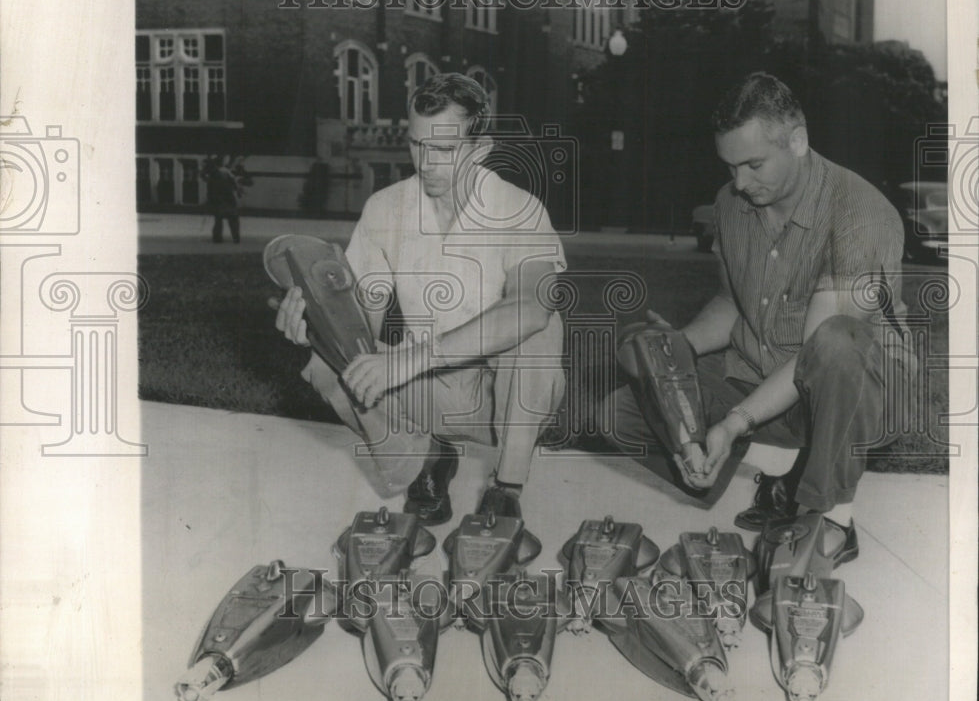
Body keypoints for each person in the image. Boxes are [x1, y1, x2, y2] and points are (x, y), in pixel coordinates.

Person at [604, 72, 916, 563]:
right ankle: (773, 472)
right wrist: (674, 349)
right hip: (761, 373)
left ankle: (828, 515)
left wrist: (734, 422)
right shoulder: (731, 204)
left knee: (837, 341)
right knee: (621, 410)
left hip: (852, 391)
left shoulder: (861, 212)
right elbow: (732, 304)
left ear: (798, 140)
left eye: (753, 165)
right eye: (729, 168)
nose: (739, 184)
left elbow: (822, 352)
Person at [275, 73, 567, 523]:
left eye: (445, 149)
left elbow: (531, 307)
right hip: (425, 396)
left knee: (540, 330)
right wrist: (316, 326)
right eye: (416, 144)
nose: (426, 162)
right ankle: (423, 462)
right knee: (326, 361)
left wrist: (415, 358)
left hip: (505, 401)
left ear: (480, 148)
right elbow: (360, 324)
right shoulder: (385, 207)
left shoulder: (520, 209)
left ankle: (506, 488)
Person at [205, 155, 250, 243]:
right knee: (233, 219)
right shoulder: (227, 173)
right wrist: (239, 191)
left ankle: (217, 239)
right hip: (228, 199)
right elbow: (234, 184)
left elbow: (209, 189)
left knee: (218, 220)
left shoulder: (213, 174)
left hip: (218, 200)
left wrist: (210, 201)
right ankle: (236, 238)